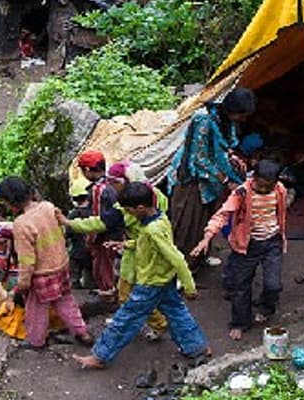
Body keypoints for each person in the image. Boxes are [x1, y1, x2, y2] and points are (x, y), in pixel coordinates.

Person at [74, 182, 210, 369]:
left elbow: (176, 258)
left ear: (140, 208)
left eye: (129, 210)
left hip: (150, 283)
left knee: (125, 319)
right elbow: (149, 244)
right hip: (165, 279)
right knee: (178, 314)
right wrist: (127, 245)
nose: (128, 214)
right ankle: (197, 348)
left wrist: (189, 286)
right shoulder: (161, 220)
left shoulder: (152, 230)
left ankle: (100, 356)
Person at [64, 162, 169, 341]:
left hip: (146, 257)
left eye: (114, 183)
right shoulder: (146, 198)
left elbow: (104, 222)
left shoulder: (135, 207)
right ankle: (144, 322)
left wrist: (71, 224)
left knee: (136, 295)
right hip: (133, 252)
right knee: (130, 293)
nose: (111, 186)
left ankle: (155, 324)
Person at [191, 160, 287, 341]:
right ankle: (240, 322)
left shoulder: (280, 190)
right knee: (240, 286)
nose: (265, 190)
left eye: (269, 186)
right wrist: (207, 237)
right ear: (254, 178)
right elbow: (223, 214)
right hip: (247, 245)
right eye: (261, 185)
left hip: (272, 242)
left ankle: (266, 307)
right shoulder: (241, 193)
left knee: (273, 284)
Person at [0, 176, 92, 349]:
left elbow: (27, 261)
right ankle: (82, 332)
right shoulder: (47, 206)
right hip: (61, 266)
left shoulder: (21, 224)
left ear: (11, 202)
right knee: (66, 301)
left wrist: (21, 285)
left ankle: (36, 341)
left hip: (42, 275)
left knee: (36, 310)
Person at [167, 87, 255, 267]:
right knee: (188, 223)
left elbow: (224, 145)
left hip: (211, 178)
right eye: (242, 115)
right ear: (232, 109)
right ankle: (181, 267)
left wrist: (232, 156)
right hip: (192, 179)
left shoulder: (225, 120)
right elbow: (199, 158)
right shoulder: (204, 120)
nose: (243, 119)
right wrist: (226, 180)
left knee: (205, 220)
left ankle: (200, 256)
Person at [77, 150, 121, 299]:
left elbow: (98, 217)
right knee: (110, 264)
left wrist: (91, 238)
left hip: (103, 236)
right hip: (115, 233)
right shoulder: (112, 184)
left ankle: (108, 293)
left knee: (103, 266)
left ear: (88, 170)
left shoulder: (98, 190)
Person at [65, 176, 94, 289]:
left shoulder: (73, 215)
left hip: (77, 253)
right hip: (92, 252)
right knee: (91, 278)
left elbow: (67, 234)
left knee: (74, 279)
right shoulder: (94, 211)